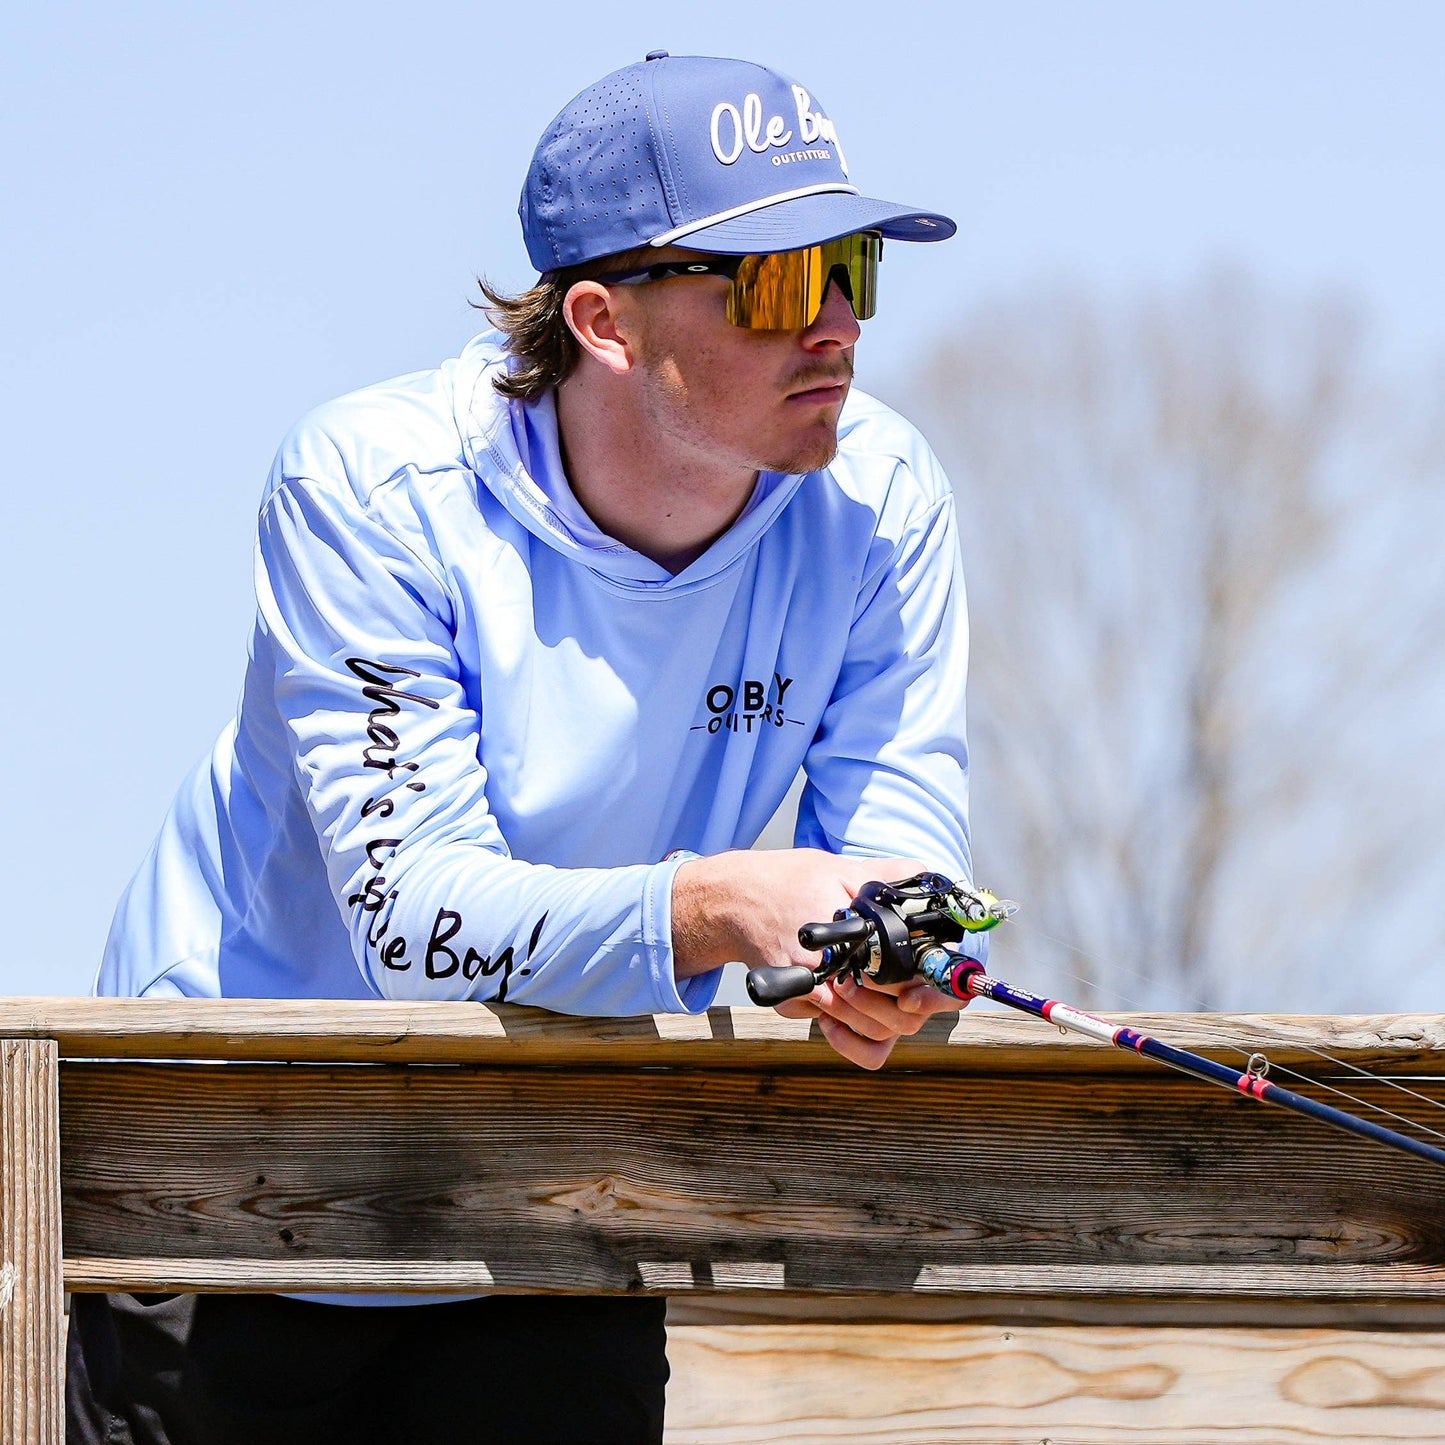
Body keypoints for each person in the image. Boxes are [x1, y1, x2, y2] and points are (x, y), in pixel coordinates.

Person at [67, 50, 985, 1445]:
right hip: (230, 1167)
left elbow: (899, 849)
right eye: (782, 285)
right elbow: (413, 917)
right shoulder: (368, 487)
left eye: (852, 264)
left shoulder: (883, 496)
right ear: (605, 320)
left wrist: (893, 963)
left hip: (561, 1173)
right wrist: (723, 902)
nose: (841, 326)